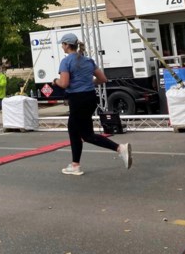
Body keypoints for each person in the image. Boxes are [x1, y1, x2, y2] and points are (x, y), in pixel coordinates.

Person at [53, 33, 132, 176]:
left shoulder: (66, 62)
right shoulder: (88, 60)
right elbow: (102, 79)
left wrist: (55, 81)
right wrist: (90, 83)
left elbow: (64, 83)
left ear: (66, 45)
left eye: (62, 44)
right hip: (90, 98)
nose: (62, 47)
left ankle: (120, 148)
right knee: (74, 130)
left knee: (86, 135)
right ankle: (75, 164)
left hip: (77, 99)